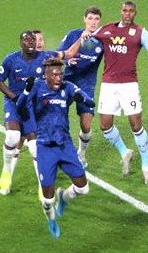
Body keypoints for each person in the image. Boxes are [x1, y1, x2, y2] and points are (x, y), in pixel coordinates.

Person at [86, 0, 148, 184]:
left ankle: (146, 166)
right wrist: (84, 39)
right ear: (120, 11)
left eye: (131, 11)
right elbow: (89, 46)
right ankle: (125, 152)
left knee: (136, 125)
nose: (127, 14)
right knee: (105, 126)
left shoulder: (140, 33)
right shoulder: (106, 30)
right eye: (125, 10)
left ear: (135, 13)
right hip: (108, 85)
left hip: (129, 85)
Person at [0, 30, 83, 196]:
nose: (30, 42)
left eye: (32, 40)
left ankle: (42, 187)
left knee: (36, 148)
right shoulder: (10, 59)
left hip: (33, 105)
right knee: (12, 136)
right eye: (26, 40)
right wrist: (15, 98)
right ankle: (6, 171)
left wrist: (82, 38)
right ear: (20, 43)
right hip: (14, 102)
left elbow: (67, 54)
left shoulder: (45, 58)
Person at [16, 58, 93, 238]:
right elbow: (20, 107)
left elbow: (90, 102)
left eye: (61, 74)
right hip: (45, 148)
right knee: (47, 200)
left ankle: (64, 197)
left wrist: (83, 98)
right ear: (46, 76)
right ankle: (51, 219)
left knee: (83, 188)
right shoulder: (37, 88)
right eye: (55, 75)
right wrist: (26, 90)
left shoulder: (68, 87)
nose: (59, 78)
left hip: (65, 145)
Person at [57, 6, 104, 166]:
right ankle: (58, 151)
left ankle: (81, 154)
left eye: (96, 19)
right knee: (58, 118)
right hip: (67, 81)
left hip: (87, 85)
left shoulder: (102, 40)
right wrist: (67, 60)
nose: (93, 22)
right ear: (84, 19)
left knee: (86, 124)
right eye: (90, 18)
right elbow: (59, 54)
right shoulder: (73, 35)